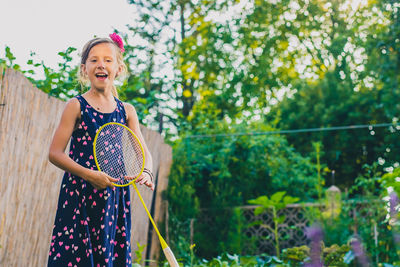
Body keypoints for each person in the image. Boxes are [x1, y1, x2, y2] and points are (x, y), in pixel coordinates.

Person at [47, 33, 154, 266]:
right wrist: (88, 175)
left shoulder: (127, 111)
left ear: (118, 68)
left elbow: (143, 154)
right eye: (94, 60)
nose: (101, 64)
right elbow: (54, 153)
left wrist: (146, 173)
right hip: (79, 196)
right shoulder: (76, 106)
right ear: (84, 69)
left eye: (107, 59)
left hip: (113, 199)